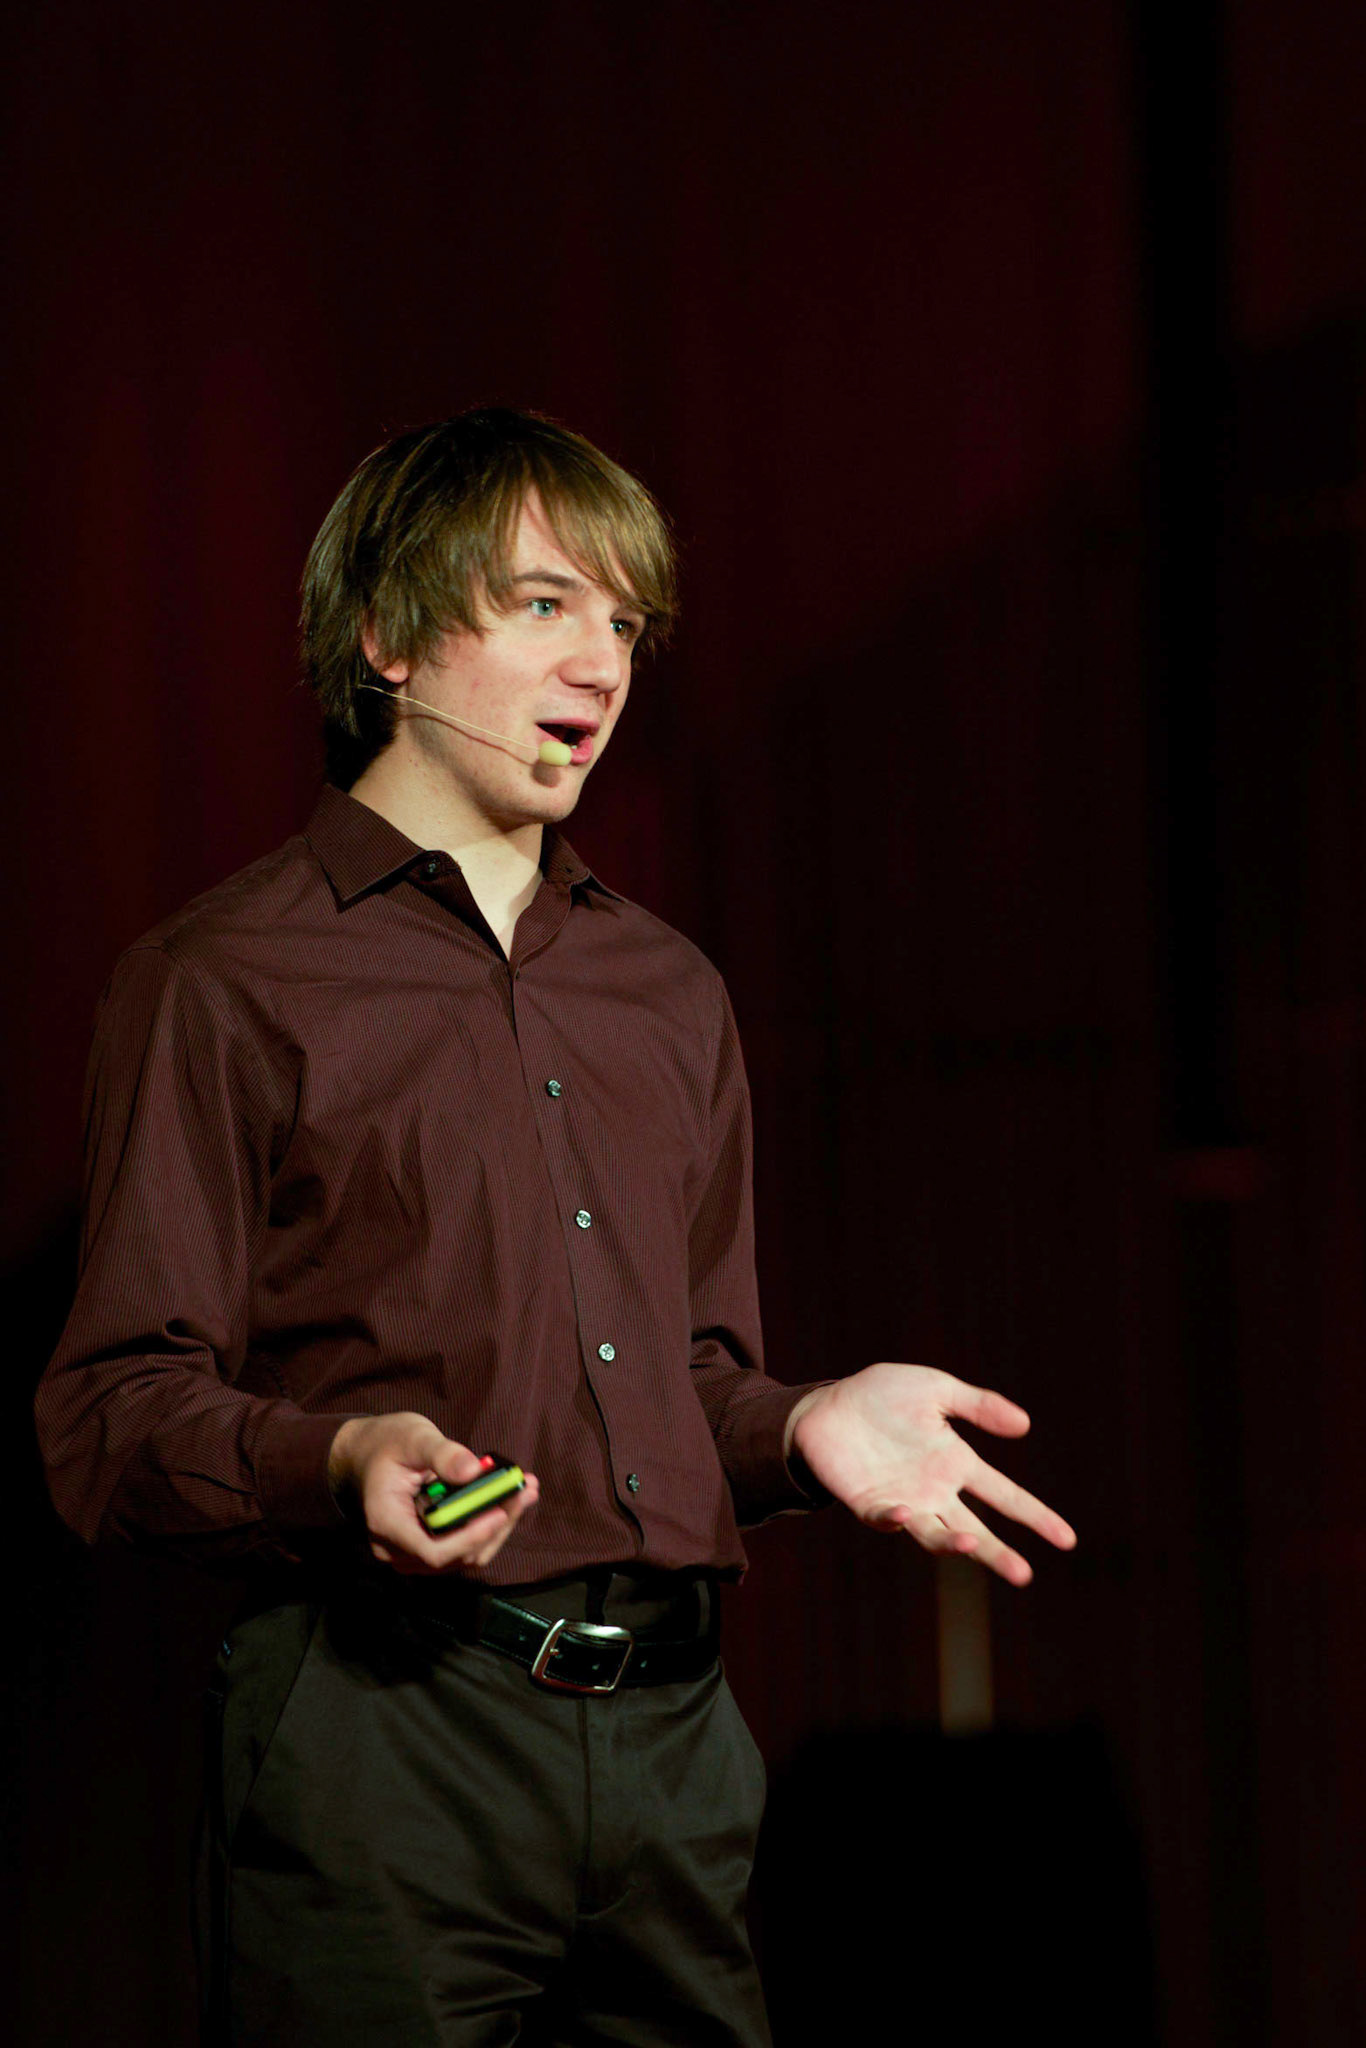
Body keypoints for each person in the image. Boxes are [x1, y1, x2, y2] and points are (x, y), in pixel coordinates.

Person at [34, 407, 1076, 2047]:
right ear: (385, 636)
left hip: (669, 1742)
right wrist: (342, 1459)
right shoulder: (223, 977)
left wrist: (804, 1424)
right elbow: (107, 1417)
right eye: (541, 603)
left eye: (625, 621)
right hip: (387, 1735)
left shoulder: (661, 987)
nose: (600, 658)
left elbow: (682, 1386)